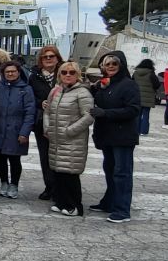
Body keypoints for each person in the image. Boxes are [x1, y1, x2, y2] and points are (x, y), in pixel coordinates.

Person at [88, 51, 141, 223]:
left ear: (121, 65)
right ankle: (109, 202)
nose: (110, 67)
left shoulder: (129, 85)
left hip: (122, 136)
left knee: (122, 173)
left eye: (114, 64)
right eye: (107, 64)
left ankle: (122, 210)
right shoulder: (105, 84)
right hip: (107, 135)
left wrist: (106, 113)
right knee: (110, 170)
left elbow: (133, 109)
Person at [44, 62, 94, 216]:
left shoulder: (82, 93)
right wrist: (47, 128)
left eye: (72, 72)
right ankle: (61, 203)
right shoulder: (57, 91)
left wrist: (69, 131)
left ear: (78, 75)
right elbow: (47, 111)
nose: (67, 75)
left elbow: (89, 116)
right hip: (56, 139)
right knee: (58, 172)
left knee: (70, 174)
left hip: (73, 140)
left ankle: (74, 206)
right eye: (64, 72)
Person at [0, 60, 36, 199]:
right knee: (0, 158)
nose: (10, 74)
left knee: (14, 160)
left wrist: (24, 132)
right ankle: (3, 182)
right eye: (7, 72)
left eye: (13, 71)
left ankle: (14, 184)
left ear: (18, 72)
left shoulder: (26, 89)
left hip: (16, 130)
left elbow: (30, 112)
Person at [27, 46, 62, 200]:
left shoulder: (64, 73)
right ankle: (50, 186)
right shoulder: (34, 77)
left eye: (51, 56)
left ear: (57, 58)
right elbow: (29, 97)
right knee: (45, 156)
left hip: (62, 121)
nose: (48, 59)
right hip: (43, 122)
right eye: (45, 57)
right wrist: (40, 102)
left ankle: (61, 187)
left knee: (61, 156)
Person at [132, 58, 160, 136]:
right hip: (148, 98)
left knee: (137, 115)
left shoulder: (135, 73)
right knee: (146, 115)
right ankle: (143, 131)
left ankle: (136, 130)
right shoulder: (151, 74)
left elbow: (131, 83)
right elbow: (157, 85)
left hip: (137, 97)